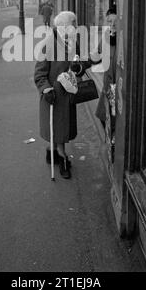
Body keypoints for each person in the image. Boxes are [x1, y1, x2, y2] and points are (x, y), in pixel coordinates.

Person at [34, 11, 91, 179]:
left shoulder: (74, 41)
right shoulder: (48, 44)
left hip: (68, 94)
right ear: (64, 27)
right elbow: (39, 74)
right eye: (74, 24)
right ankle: (62, 157)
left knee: (60, 129)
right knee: (59, 130)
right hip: (54, 96)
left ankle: (52, 152)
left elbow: (81, 63)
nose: (76, 27)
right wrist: (46, 89)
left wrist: (79, 68)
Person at [93, 6, 117, 157]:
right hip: (108, 86)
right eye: (109, 21)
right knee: (102, 114)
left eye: (115, 21)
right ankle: (111, 140)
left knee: (116, 118)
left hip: (119, 87)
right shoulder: (107, 36)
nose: (112, 25)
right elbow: (97, 55)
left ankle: (114, 144)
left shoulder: (125, 37)